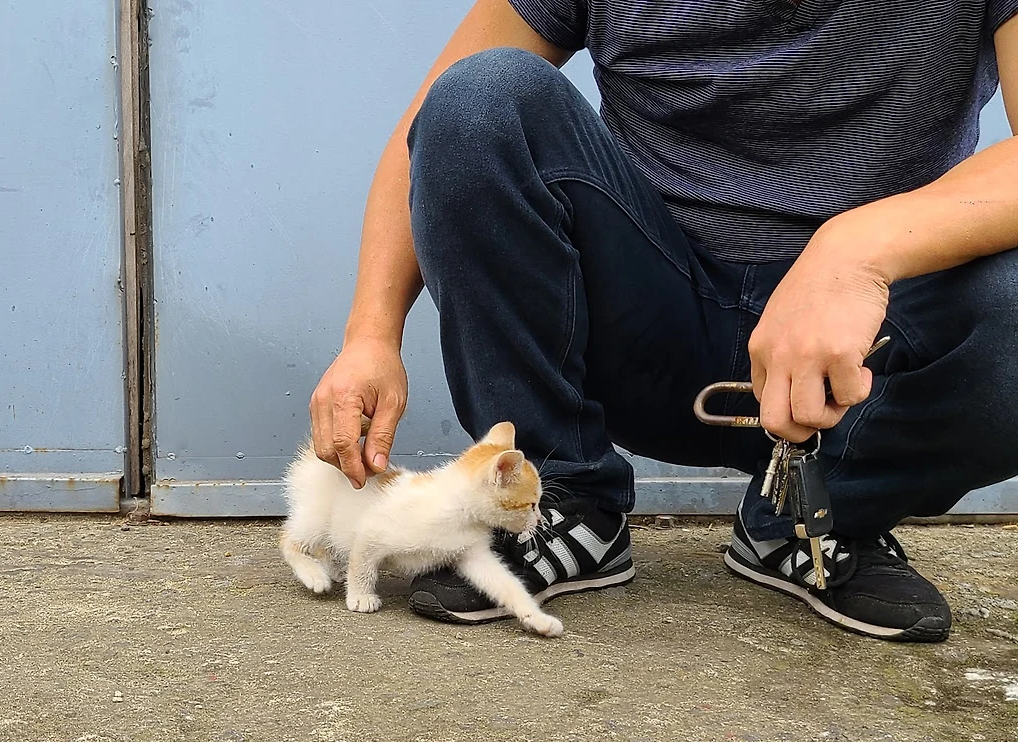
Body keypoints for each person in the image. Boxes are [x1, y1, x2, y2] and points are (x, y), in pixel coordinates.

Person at [308, 0, 1018, 643]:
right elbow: (435, 123)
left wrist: (853, 252)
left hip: (865, 360)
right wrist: (371, 335)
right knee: (477, 98)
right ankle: (563, 499)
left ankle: (815, 515)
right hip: (648, 324)